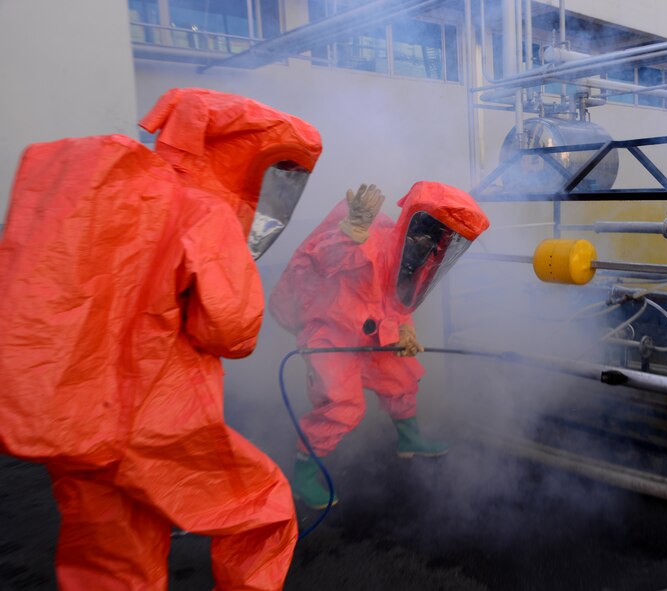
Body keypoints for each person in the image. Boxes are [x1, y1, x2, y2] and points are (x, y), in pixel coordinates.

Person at [0, 87, 322, 590]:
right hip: (155, 421)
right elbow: (232, 331)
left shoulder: (110, 194)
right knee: (264, 513)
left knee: (109, 560)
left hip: (72, 420)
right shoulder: (202, 211)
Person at [269, 180, 489, 509]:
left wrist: (406, 332)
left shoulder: (415, 254)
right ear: (418, 222)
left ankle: (409, 438)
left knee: (401, 376)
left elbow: (398, 301)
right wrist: (351, 231)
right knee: (343, 406)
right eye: (434, 232)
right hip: (331, 334)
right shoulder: (367, 233)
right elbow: (318, 263)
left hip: (372, 334)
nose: (433, 243)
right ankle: (303, 473)